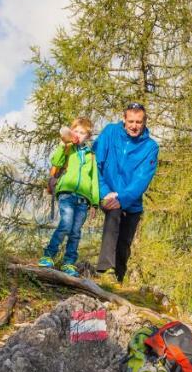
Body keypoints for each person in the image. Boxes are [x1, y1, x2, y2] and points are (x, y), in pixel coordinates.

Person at [93, 102, 159, 284]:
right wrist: (105, 192)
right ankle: (105, 269)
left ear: (144, 122)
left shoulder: (150, 147)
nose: (134, 126)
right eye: (131, 121)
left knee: (124, 245)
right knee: (113, 216)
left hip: (132, 202)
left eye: (139, 122)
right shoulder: (110, 132)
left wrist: (122, 199)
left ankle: (118, 280)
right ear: (124, 119)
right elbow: (96, 163)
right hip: (107, 194)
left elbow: (142, 179)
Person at [38, 117, 99, 276]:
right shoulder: (68, 148)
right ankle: (48, 255)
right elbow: (56, 162)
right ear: (71, 132)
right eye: (76, 131)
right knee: (65, 224)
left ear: (88, 136)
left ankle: (68, 263)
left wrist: (95, 203)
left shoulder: (90, 156)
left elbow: (94, 179)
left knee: (76, 231)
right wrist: (63, 145)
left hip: (83, 199)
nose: (79, 134)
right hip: (66, 194)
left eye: (83, 133)